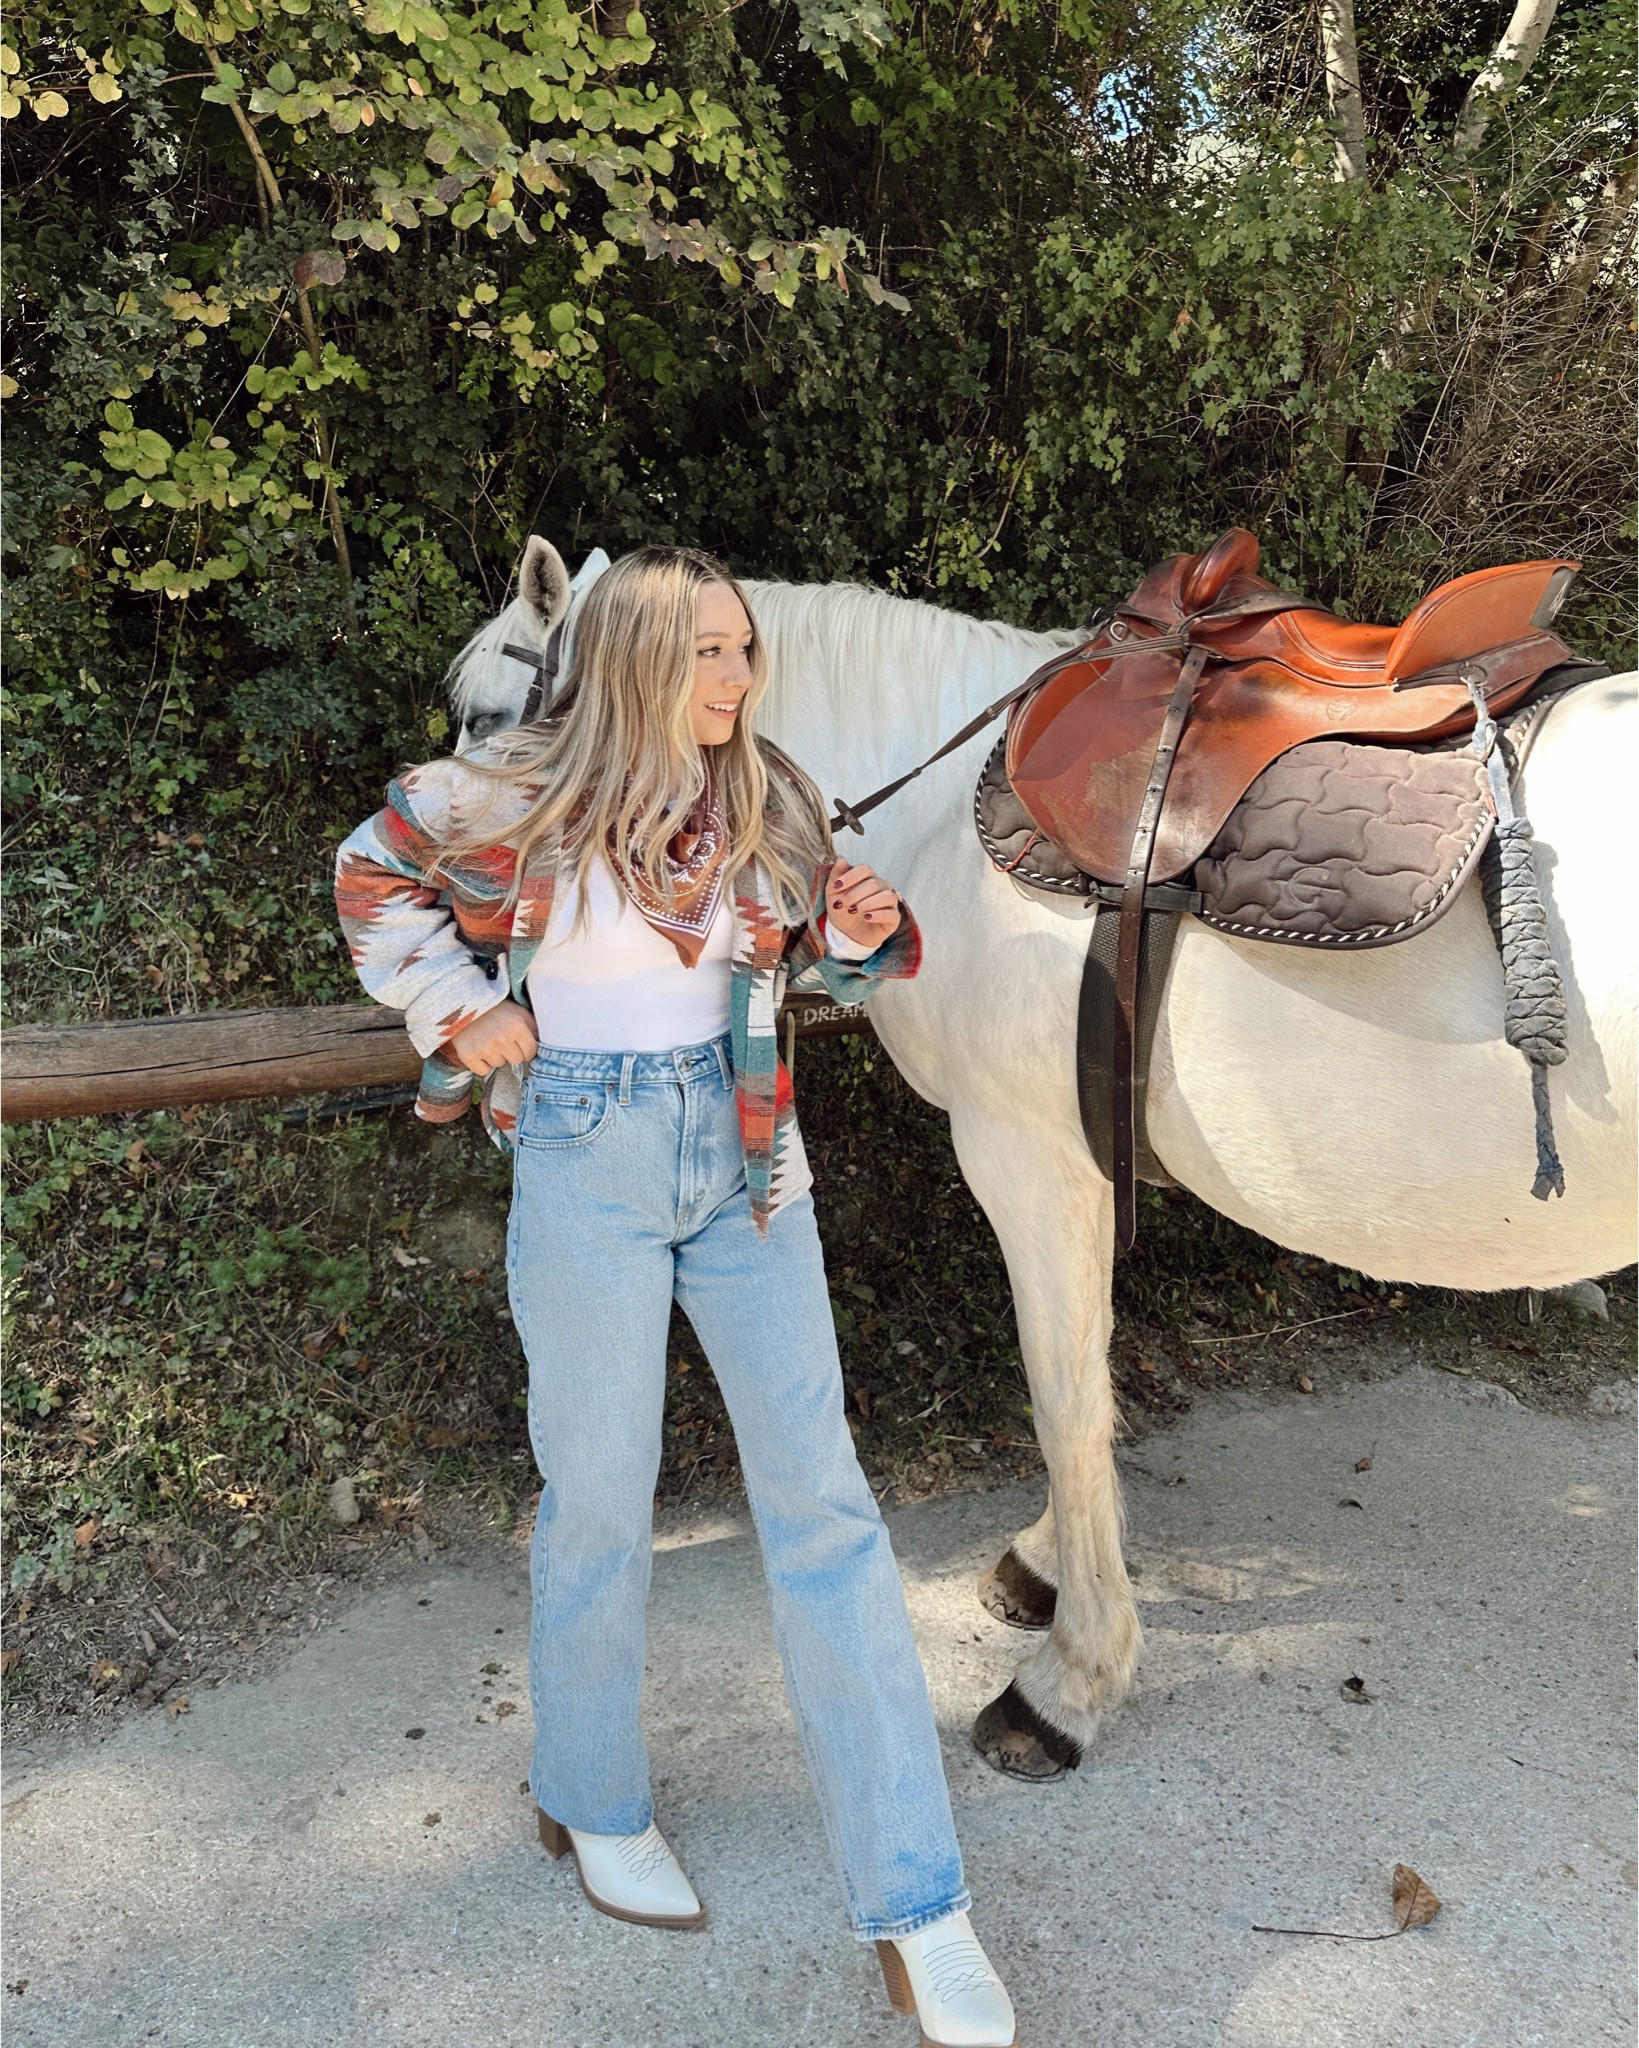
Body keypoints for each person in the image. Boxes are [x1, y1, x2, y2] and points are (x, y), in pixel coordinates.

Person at [335, 547, 1017, 2047]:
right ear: (636, 657)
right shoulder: (512, 793)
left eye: (745, 653)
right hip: (584, 1148)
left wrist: (854, 925)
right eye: (706, 654)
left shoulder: (766, 796)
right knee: (598, 1496)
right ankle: (587, 1798)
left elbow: (845, 965)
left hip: (748, 1159)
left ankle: (918, 1904)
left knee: (827, 1508)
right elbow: (370, 868)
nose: (734, 680)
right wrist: (459, 1009)